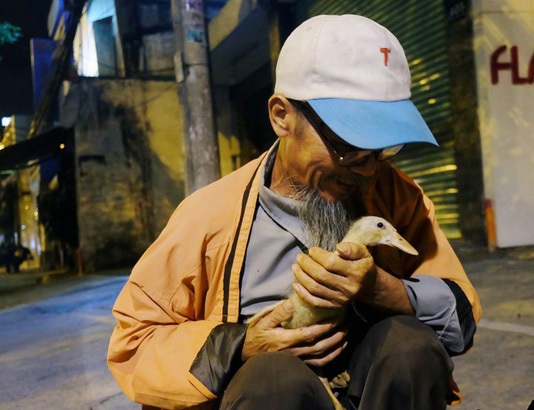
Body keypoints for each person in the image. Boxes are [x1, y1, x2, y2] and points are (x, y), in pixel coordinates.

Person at [108, 15, 482, 410]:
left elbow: (460, 320)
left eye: (381, 149)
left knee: (410, 349)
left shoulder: (396, 196)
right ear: (281, 116)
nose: (369, 170)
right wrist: (239, 345)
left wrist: (380, 288)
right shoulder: (206, 217)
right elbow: (135, 344)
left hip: (368, 392)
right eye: (348, 146)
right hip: (268, 396)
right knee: (272, 381)